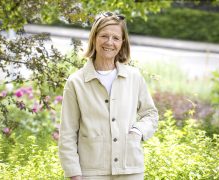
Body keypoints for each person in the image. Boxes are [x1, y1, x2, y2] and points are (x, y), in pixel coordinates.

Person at [58, 11, 158, 180]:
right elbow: (67, 134)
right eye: (104, 36)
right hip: (91, 172)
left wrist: (138, 131)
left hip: (130, 170)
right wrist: (74, 174)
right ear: (94, 38)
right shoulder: (76, 82)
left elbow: (151, 114)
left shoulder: (134, 77)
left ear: (122, 42)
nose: (109, 42)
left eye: (116, 38)